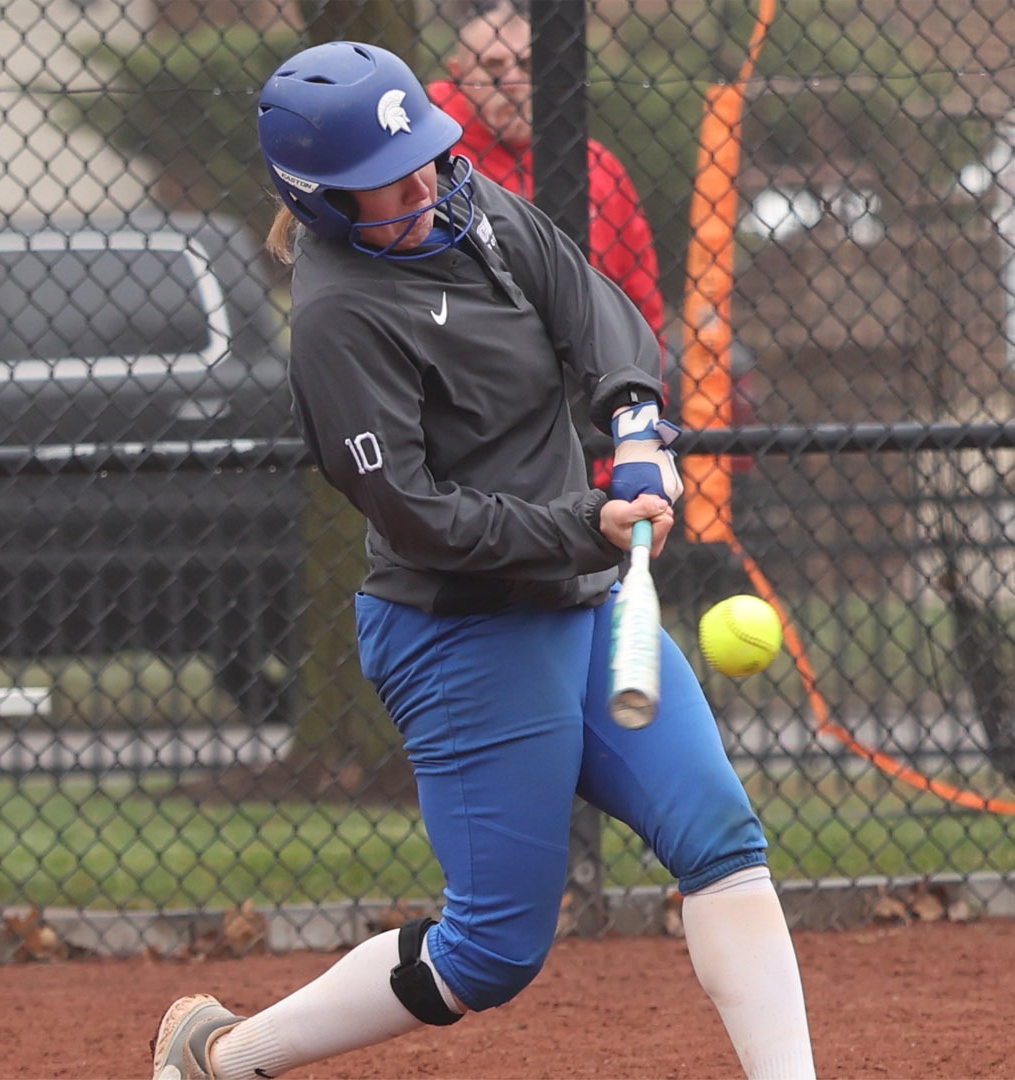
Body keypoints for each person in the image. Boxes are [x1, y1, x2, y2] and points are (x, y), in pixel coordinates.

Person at [149, 41, 815, 1080]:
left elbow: (593, 310)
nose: (422, 182)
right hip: (461, 633)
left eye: (423, 154)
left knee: (722, 843)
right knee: (493, 952)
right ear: (321, 200)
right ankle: (224, 1058)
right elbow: (419, 518)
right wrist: (584, 523)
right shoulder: (339, 320)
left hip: (581, 599)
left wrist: (636, 426)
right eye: (388, 180)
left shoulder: (473, 208)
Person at [427, 0, 667, 491]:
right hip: (468, 445)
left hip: (590, 429)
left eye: (527, 65)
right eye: (492, 67)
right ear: (458, 74)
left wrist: (627, 431)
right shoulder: (430, 171)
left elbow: (640, 306)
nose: (511, 79)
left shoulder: (599, 169)